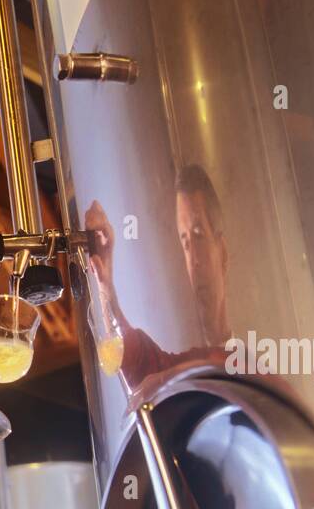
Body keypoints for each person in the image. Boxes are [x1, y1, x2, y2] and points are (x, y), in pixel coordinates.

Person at [85, 163, 233, 398]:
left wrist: (165, 379)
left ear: (222, 252)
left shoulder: (254, 367)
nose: (193, 259)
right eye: (185, 242)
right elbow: (139, 364)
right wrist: (105, 281)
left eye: (198, 236)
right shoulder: (190, 362)